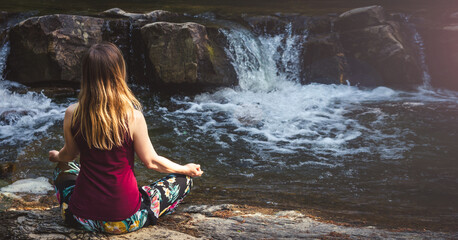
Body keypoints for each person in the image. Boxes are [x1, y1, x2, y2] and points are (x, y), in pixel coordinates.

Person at [48, 42, 203, 234]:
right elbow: (152, 162)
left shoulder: (73, 113)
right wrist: (185, 168)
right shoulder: (133, 116)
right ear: (119, 73)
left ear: (86, 74)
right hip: (126, 218)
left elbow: (69, 156)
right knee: (183, 180)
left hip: (81, 218)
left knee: (62, 169)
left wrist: (56, 156)